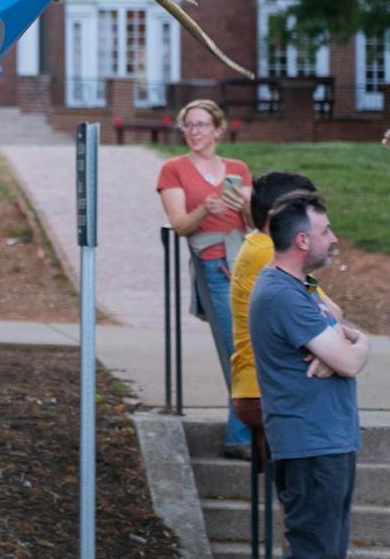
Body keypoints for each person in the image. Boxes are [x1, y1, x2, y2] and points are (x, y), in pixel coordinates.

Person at [250, 193, 368, 559]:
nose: (334, 238)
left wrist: (349, 344)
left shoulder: (302, 286)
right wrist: (354, 347)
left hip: (328, 441)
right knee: (314, 551)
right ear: (302, 240)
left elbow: (341, 334)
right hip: (311, 445)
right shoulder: (281, 294)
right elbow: (348, 362)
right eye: (326, 231)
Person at [157, 98, 254, 457]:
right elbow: (181, 225)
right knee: (237, 349)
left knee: (256, 346)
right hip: (213, 266)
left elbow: (254, 223)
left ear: (218, 129)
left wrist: (245, 205)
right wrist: (205, 208)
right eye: (188, 125)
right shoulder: (174, 169)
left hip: (245, 262)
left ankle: (249, 433)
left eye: (201, 125)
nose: (194, 131)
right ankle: (240, 437)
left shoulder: (238, 168)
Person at [231, 172, 344, 452]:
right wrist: (338, 350)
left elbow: (331, 309)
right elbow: (330, 313)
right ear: (278, 214)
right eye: (301, 206)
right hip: (267, 391)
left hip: (270, 385)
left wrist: (333, 348)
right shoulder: (268, 254)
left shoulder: (266, 248)